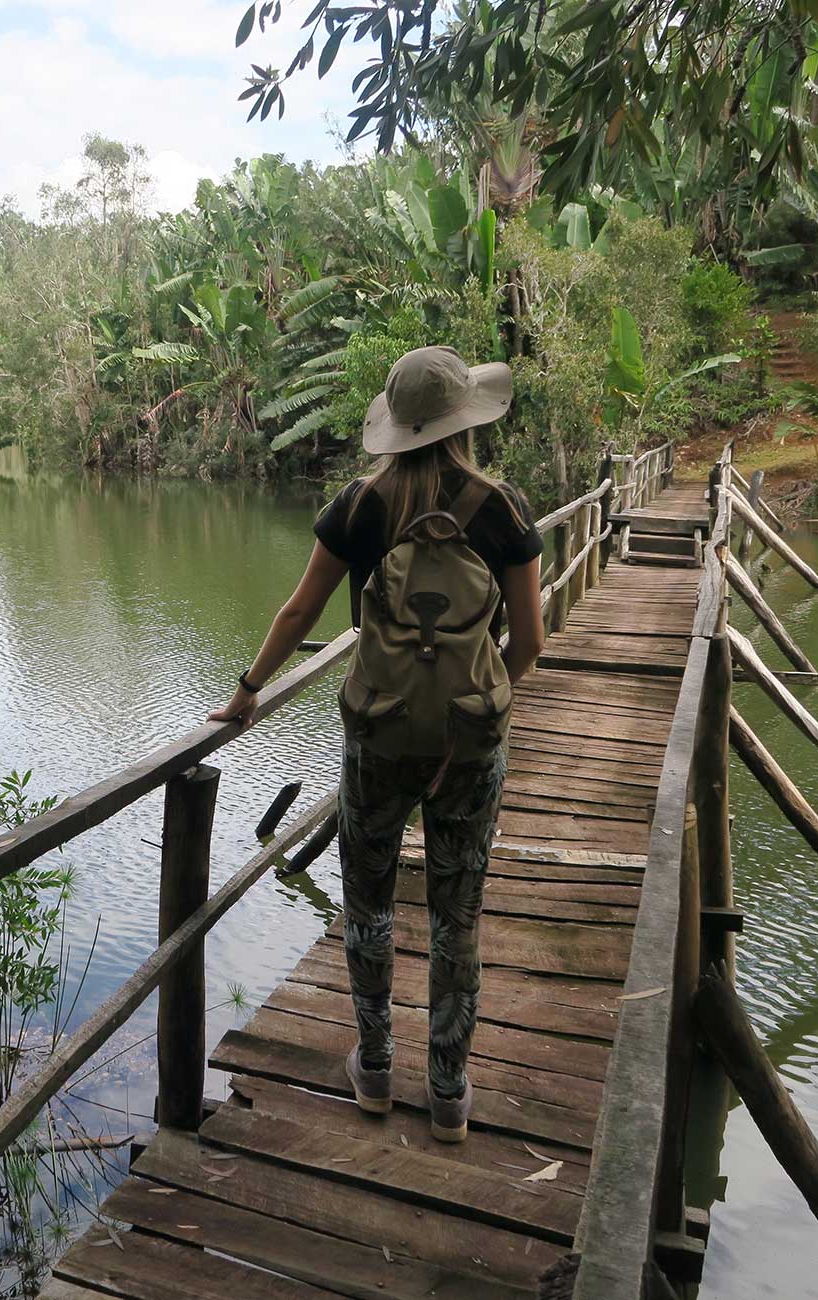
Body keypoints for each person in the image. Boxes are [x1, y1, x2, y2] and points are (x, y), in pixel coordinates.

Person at [209, 345, 544, 1142]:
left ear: (394, 422)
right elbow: (529, 639)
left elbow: (298, 615)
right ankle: (452, 1092)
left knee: (368, 904)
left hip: (377, 733)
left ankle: (376, 1069)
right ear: (468, 417)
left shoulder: (359, 506)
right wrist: (481, 704)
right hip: (470, 742)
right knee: (457, 915)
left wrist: (248, 690)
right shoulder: (504, 508)